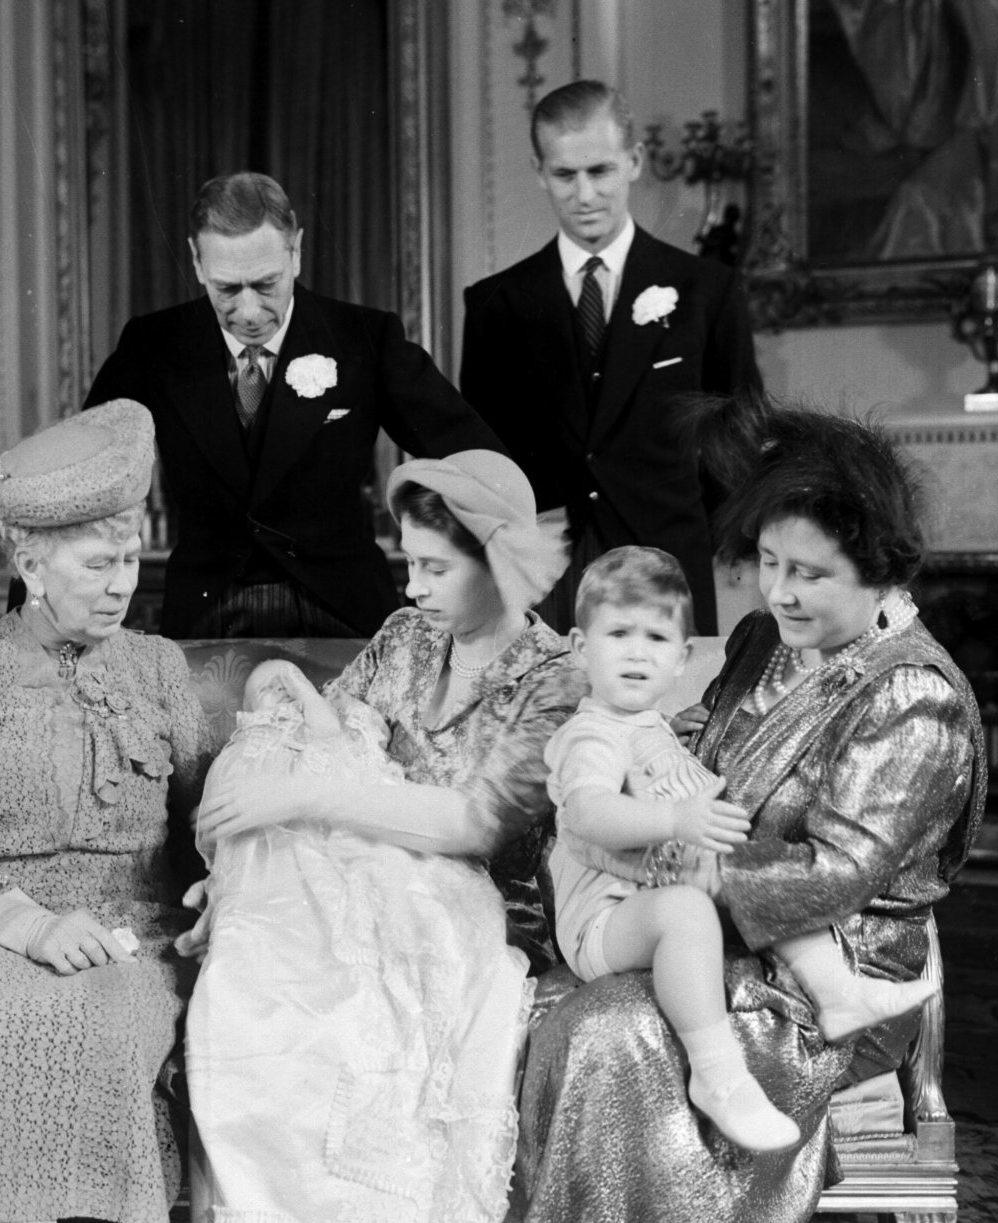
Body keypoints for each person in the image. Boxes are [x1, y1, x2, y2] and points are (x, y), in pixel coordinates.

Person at [512, 394, 987, 1223]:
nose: (779, 591)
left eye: (809, 574)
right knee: (548, 1004)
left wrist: (699, 861)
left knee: (610, 1034)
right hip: (705, 920)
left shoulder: (912, 694)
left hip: (838, 967)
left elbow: (838, 874)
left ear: (880, 566)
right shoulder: (766, 638)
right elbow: (703, 746)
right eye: (769, 562)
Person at [190, 449, 590, 1207]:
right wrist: (240, 880)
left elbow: (477, 822)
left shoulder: (557, 677)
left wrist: (297, 797)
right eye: (409, 563)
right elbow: (325, 739)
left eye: (436, 569)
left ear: (500, 562)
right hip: (356, 888)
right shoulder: (406, 635)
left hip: (480, 916)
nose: (414, 587)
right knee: (254, 985)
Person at [0, 400, 216, 1223]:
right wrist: (18, 923)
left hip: (127, 937)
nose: (123, 583)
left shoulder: (160, 668)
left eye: (131, 558)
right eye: (98, 564)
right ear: (31, 562)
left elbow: (211, 834)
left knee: (102, 1045)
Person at [546, 544, 939, 1156]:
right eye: (617, 632)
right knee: (691, 909)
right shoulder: (592, 733)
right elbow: (586, 813)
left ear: (682, 660)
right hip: (603, 919)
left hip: (651, 890)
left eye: (655, 638)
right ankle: (718, 1075)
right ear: (579, 647)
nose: (635, 651)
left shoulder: (653, 728)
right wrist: (678, 816)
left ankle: (837, 993)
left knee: (756, 873)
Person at [84, 170, 506, 639]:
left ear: (297, 251)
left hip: (346, 616)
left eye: (266, 285)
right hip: (205, 618)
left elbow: (476, 461)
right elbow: (78, 478)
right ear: (197, 262)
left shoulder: (365, 338)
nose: (248, 312)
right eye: (226, 288)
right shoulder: (152, 345)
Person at [183, 657, 533, 1221]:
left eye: (291, 683)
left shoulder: (343, 728)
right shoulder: (240, 751)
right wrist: (220, 889)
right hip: (274, 882)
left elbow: (361, 779)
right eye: (266, 690)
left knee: (421, 930)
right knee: (246, 988)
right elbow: (221, 830)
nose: (282, 695)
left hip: (354, 847)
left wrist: (319, 718)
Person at [459, 79, 762, 636]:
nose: (584, 195)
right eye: (564, 175)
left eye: (599, 171)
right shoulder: (496, 306)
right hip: (544, 578)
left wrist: (723, 547)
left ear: (635, 161)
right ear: (538, 170)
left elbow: (738, 441)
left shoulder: (706, 292)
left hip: (668, 566)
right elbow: (483, 458)